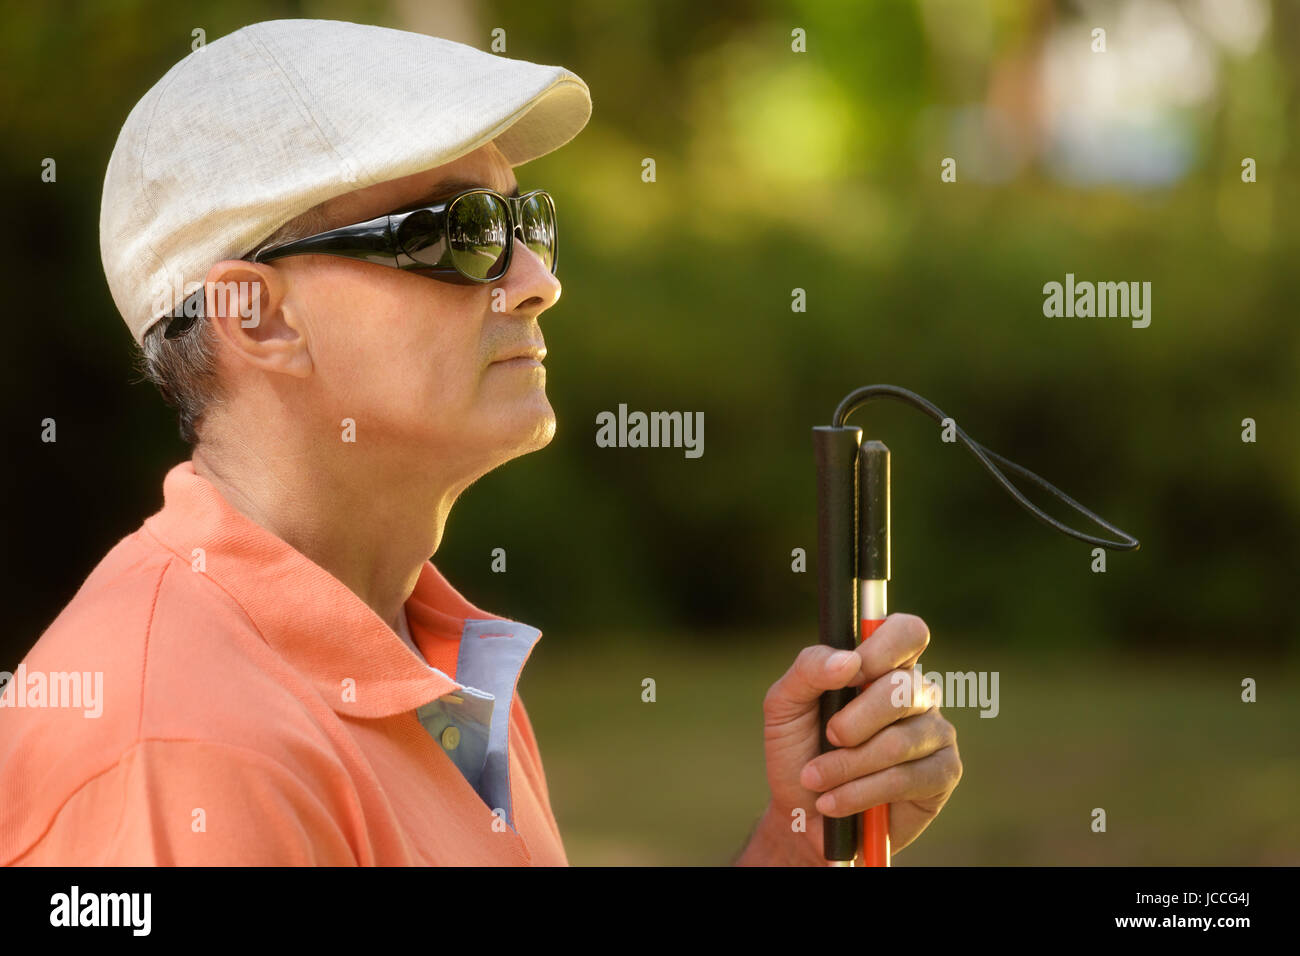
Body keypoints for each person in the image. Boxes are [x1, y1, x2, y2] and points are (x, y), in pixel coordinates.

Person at [0, 18, 960, 866]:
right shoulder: (183, 751)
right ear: (256, 318)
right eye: (460, 232)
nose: (538, 278)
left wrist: (800, 840)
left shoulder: (420, 647)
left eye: (525, 220)